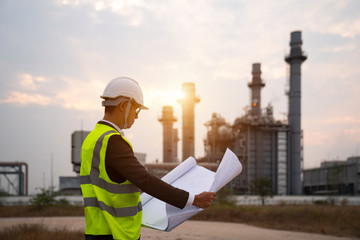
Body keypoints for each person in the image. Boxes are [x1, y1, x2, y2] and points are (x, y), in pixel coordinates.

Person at [80, 77, 216, 240]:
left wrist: (130, 181)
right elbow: (146, 180)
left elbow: (106, 182)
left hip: (95, 230)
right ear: (124, 105)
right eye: (136, 110)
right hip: (117, 232)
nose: (136, 117)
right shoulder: (113, 141)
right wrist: (193, 199)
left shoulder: (92, 139)